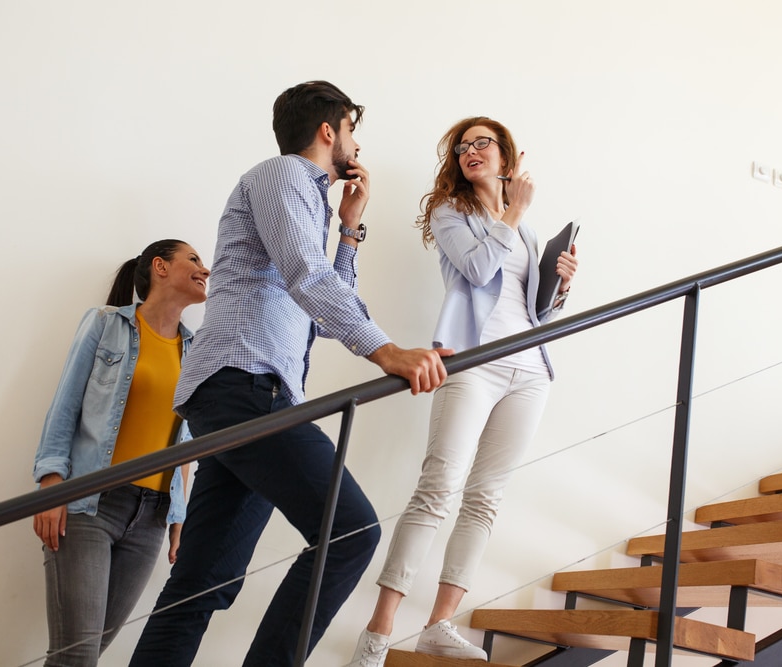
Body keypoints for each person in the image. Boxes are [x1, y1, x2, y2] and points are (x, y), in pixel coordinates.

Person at [128, 80, 452, 667]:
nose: (355, 142)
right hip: (244, 386)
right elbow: (308, 275)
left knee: (203, 584)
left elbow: (323, 304)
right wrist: (385, 351)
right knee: (352, 531)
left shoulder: (309, 200)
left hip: (243, 393)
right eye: (352, 129)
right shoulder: (282, 175)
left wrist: (350, 227)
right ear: (330, 130)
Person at [352, 117, 578, 665]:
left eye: (483, 143)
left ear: (508, 155)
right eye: (463, 146)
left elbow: (532, 307)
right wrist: (514, 210)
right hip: (474, 361)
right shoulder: (450, 213)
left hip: (529, 370)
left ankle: (439, 622)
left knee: (486, 497)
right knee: (438, 488)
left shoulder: (525, 232)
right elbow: (478, 273)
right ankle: (377, 634)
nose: (471, 151)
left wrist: (561, 284)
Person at [32, 239, 211, 666]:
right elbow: (65, 405)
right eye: (195, 259)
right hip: (90, 506)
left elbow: (184, 442)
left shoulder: (197, 351)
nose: (206, 269)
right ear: (160, 267)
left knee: (90, 652)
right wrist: (51, 487)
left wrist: (179, 516)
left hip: (151, 517)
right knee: (76, 658)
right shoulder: (105, 325)